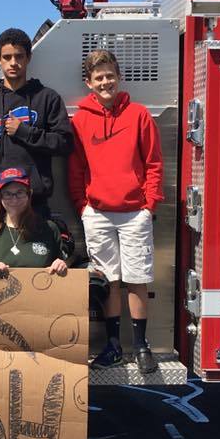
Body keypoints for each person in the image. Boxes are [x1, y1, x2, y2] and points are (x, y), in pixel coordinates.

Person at [69, 49, 163, 374]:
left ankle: (141, 346)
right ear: (89, 83)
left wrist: (149, 206)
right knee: (108, 281)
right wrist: (83, 206)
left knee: (136, 280)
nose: (105, 82)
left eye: (110, 75)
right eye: (99, 77)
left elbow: (153, 163)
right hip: (97, 213)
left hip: (135, 213)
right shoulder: (81, 120)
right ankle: (113, 347)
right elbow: (76, 168)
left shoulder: (139, 115)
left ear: (119, 77)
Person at [0, 27, 83, 258]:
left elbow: (64, 142)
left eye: (19, 56)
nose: (13, 63)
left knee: (36, 268)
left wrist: (25, 132)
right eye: (7, 57)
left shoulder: (47, 98)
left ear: (28, 58)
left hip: (35, 203)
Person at [0, 166, 68, 276]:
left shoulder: (49, 229)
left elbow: (64, 272)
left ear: (29, 194)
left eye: (20, 192)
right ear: (0, 197)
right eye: (7, 194)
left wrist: (61, 265)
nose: (14, 199)